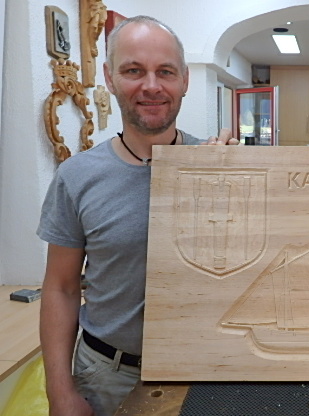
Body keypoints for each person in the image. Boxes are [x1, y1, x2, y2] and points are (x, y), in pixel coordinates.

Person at [37, 16, 236, 416]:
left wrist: (233, 179)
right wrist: (59, 391)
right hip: (106, 376)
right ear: (109, 78)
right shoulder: (77, 177)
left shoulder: (219, 167)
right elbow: (61, 288)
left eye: (166, 72)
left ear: (184, 80)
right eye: (133, 71)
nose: (151, 86)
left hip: (203, 371)